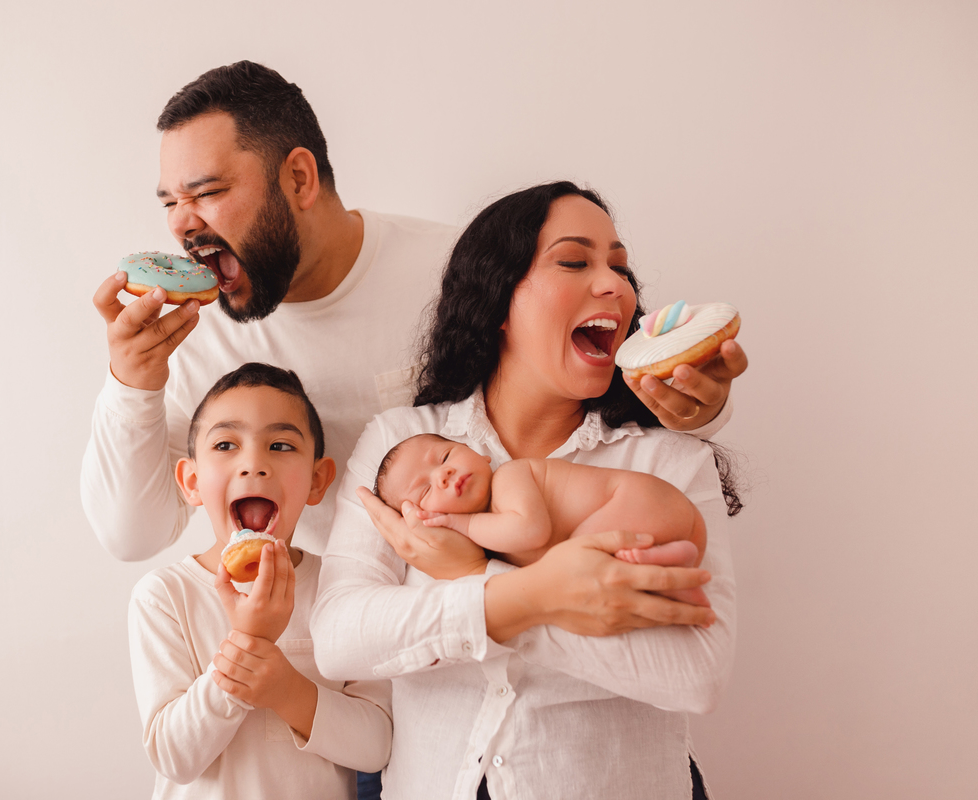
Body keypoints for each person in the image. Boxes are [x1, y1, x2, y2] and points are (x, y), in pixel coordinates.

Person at [84, 61, 746, 799]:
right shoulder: (195, 337)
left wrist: (692, 403)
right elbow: (134, 534)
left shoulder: (449, 267)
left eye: (206, 192)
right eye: (170, 201)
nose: (180, 224)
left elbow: (693, 663)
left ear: (299, 179)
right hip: (384, 702)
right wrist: (130, 384)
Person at [310, 182, 741, 800]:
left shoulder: (669, 463)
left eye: (620, 267)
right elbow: (339, 638)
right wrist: (531, 595)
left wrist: (479, 581)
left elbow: (698, 674)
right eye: (575, 261)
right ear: (498, 299)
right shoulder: (402, 443)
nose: (615, 284)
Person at [128, 362, 392, 800]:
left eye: (281, 445)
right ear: (192, 483)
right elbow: (175, 758)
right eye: (227, 444)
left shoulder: (346, 586)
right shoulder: (164, 597)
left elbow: (377, 746)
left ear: (317, 480)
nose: (254, 464)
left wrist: (287, 691)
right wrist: (249, 640)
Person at [372, 432, 709, 605]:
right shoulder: (487, 540)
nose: (443, 474)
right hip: (659, 526)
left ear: (479, 453)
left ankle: (671, 559)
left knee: (577, 563)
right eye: (425, 491)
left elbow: (531, 531)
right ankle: (674, 564)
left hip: (639, 500)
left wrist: (463, 524)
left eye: (445, 456)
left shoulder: (511, 476)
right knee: (594, 578)